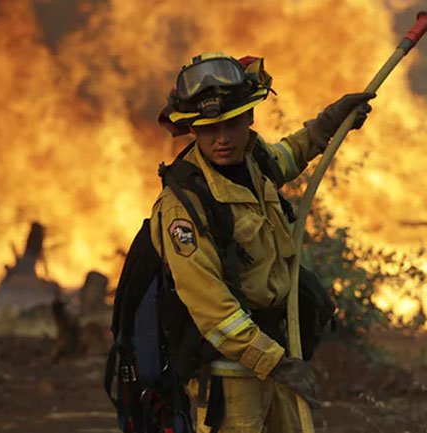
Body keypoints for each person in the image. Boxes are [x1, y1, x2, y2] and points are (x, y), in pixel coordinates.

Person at [151, 52, 374, 433]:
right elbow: (213, 311)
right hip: (229, 373)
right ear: (192, 130)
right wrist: (277, 363)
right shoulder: (183, 207)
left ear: (249, 118)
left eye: (232, 123)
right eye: (209, 129)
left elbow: (286, 157)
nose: (222, 138)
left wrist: (326, 126)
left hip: (276, 351)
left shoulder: (253, 161)